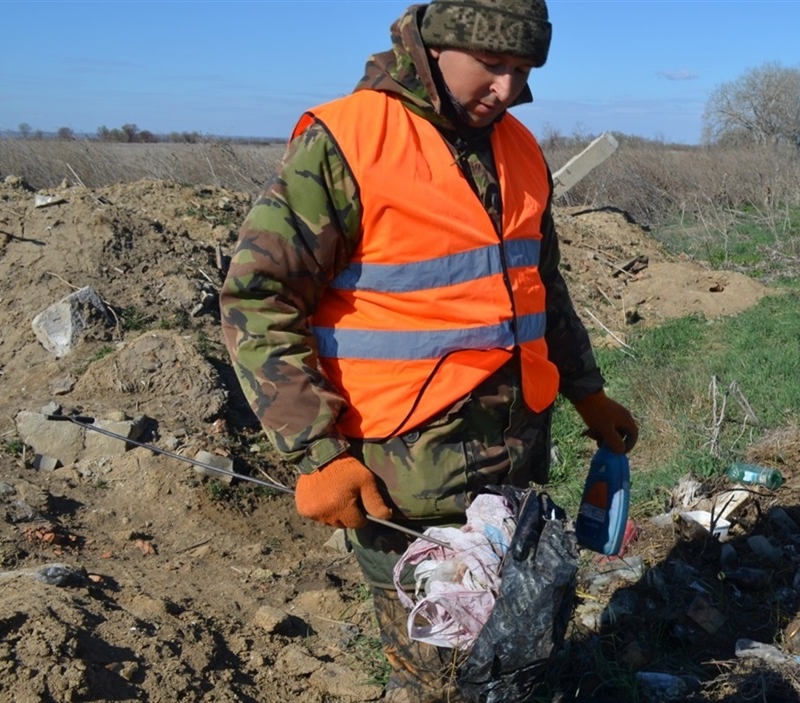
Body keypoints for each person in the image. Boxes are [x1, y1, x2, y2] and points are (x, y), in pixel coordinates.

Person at [218, 1, 638, 700]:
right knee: (436, 676)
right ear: (437, 46)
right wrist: (317, 452)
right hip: (401, 482)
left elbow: (542, 289)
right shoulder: (345, 142)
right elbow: (257, 299)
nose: (507, 89)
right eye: (494, 66)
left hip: (513, 462)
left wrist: (586, 390)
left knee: (514, 654)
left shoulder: (522, 150)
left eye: (524, 70)